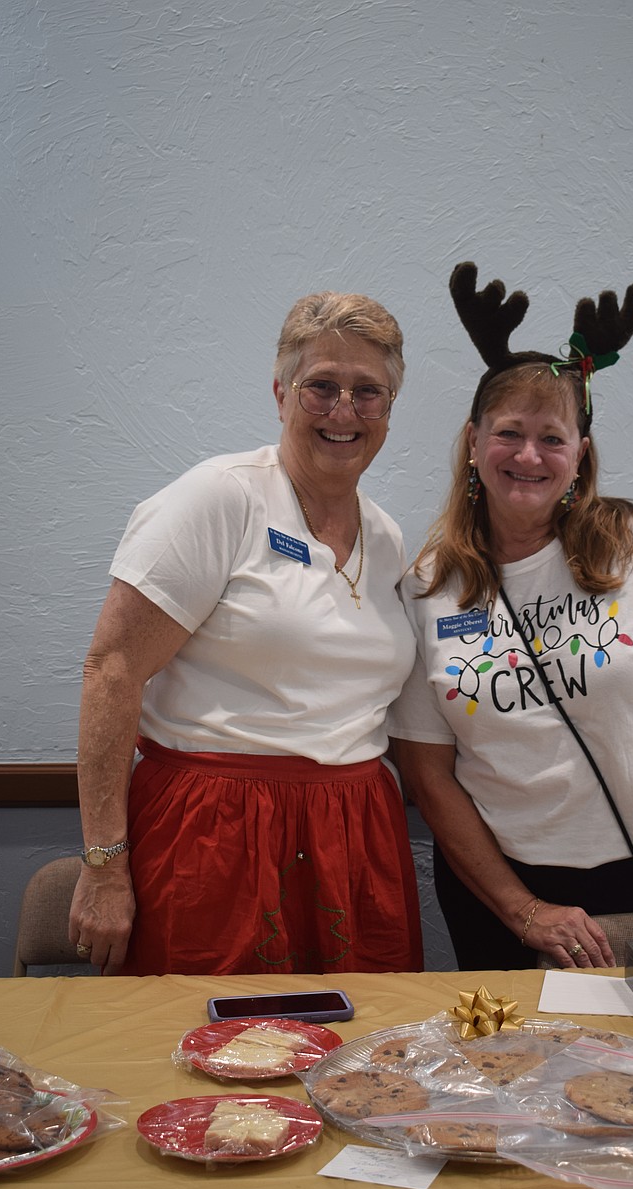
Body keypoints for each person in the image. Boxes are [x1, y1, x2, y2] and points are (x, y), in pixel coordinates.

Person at [389, 262, 633, 972]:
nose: (529, 454)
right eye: (508, 433)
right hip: (494, 888)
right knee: (505, 1069)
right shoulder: (428, 587)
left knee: (623, 1067)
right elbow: (429, 775)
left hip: (631, 876)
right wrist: (521, 908)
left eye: (552, 437)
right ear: (473, 441)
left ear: (580, 454)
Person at [69, 289, 423, 976]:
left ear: (388, 409)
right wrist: (104, 864)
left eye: (367, 391)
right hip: (217, 828)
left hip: (355, 832)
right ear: (281, 392)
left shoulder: (386, 536)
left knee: (361, 1058)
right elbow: (111, 669)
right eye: (321, 385)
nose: (344, 409)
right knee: (210, 1049)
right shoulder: (219, 498)